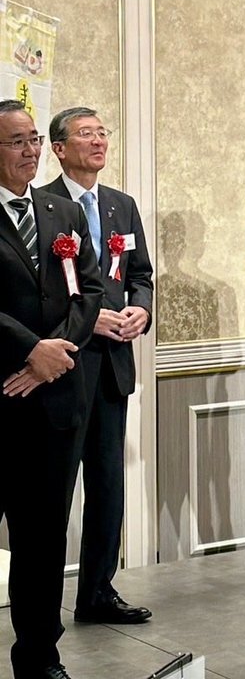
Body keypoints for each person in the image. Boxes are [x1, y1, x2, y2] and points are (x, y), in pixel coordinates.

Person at [0, 98, 102, 679]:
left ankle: (40, 659)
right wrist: (27, 349)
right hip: (2, 396)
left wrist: (54, 354)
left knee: (42, 542)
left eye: (35, 139)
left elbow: (89, 291)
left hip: (57, 401)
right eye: (17, 141)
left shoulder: (62, 211)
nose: (31, 151)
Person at [42, 106, 154, 627]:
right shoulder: (42, 205)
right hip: (64, 365)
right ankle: (43, 603)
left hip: (112, 366)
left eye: (102, 132)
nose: (98, 141)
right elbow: (41, 293)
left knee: (108, 484)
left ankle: (98, 592)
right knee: (55, 490)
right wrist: (89, 320)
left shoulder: (120, 206)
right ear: (59, 148)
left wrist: (140, 310)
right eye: (85, 134)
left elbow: (141, 274)